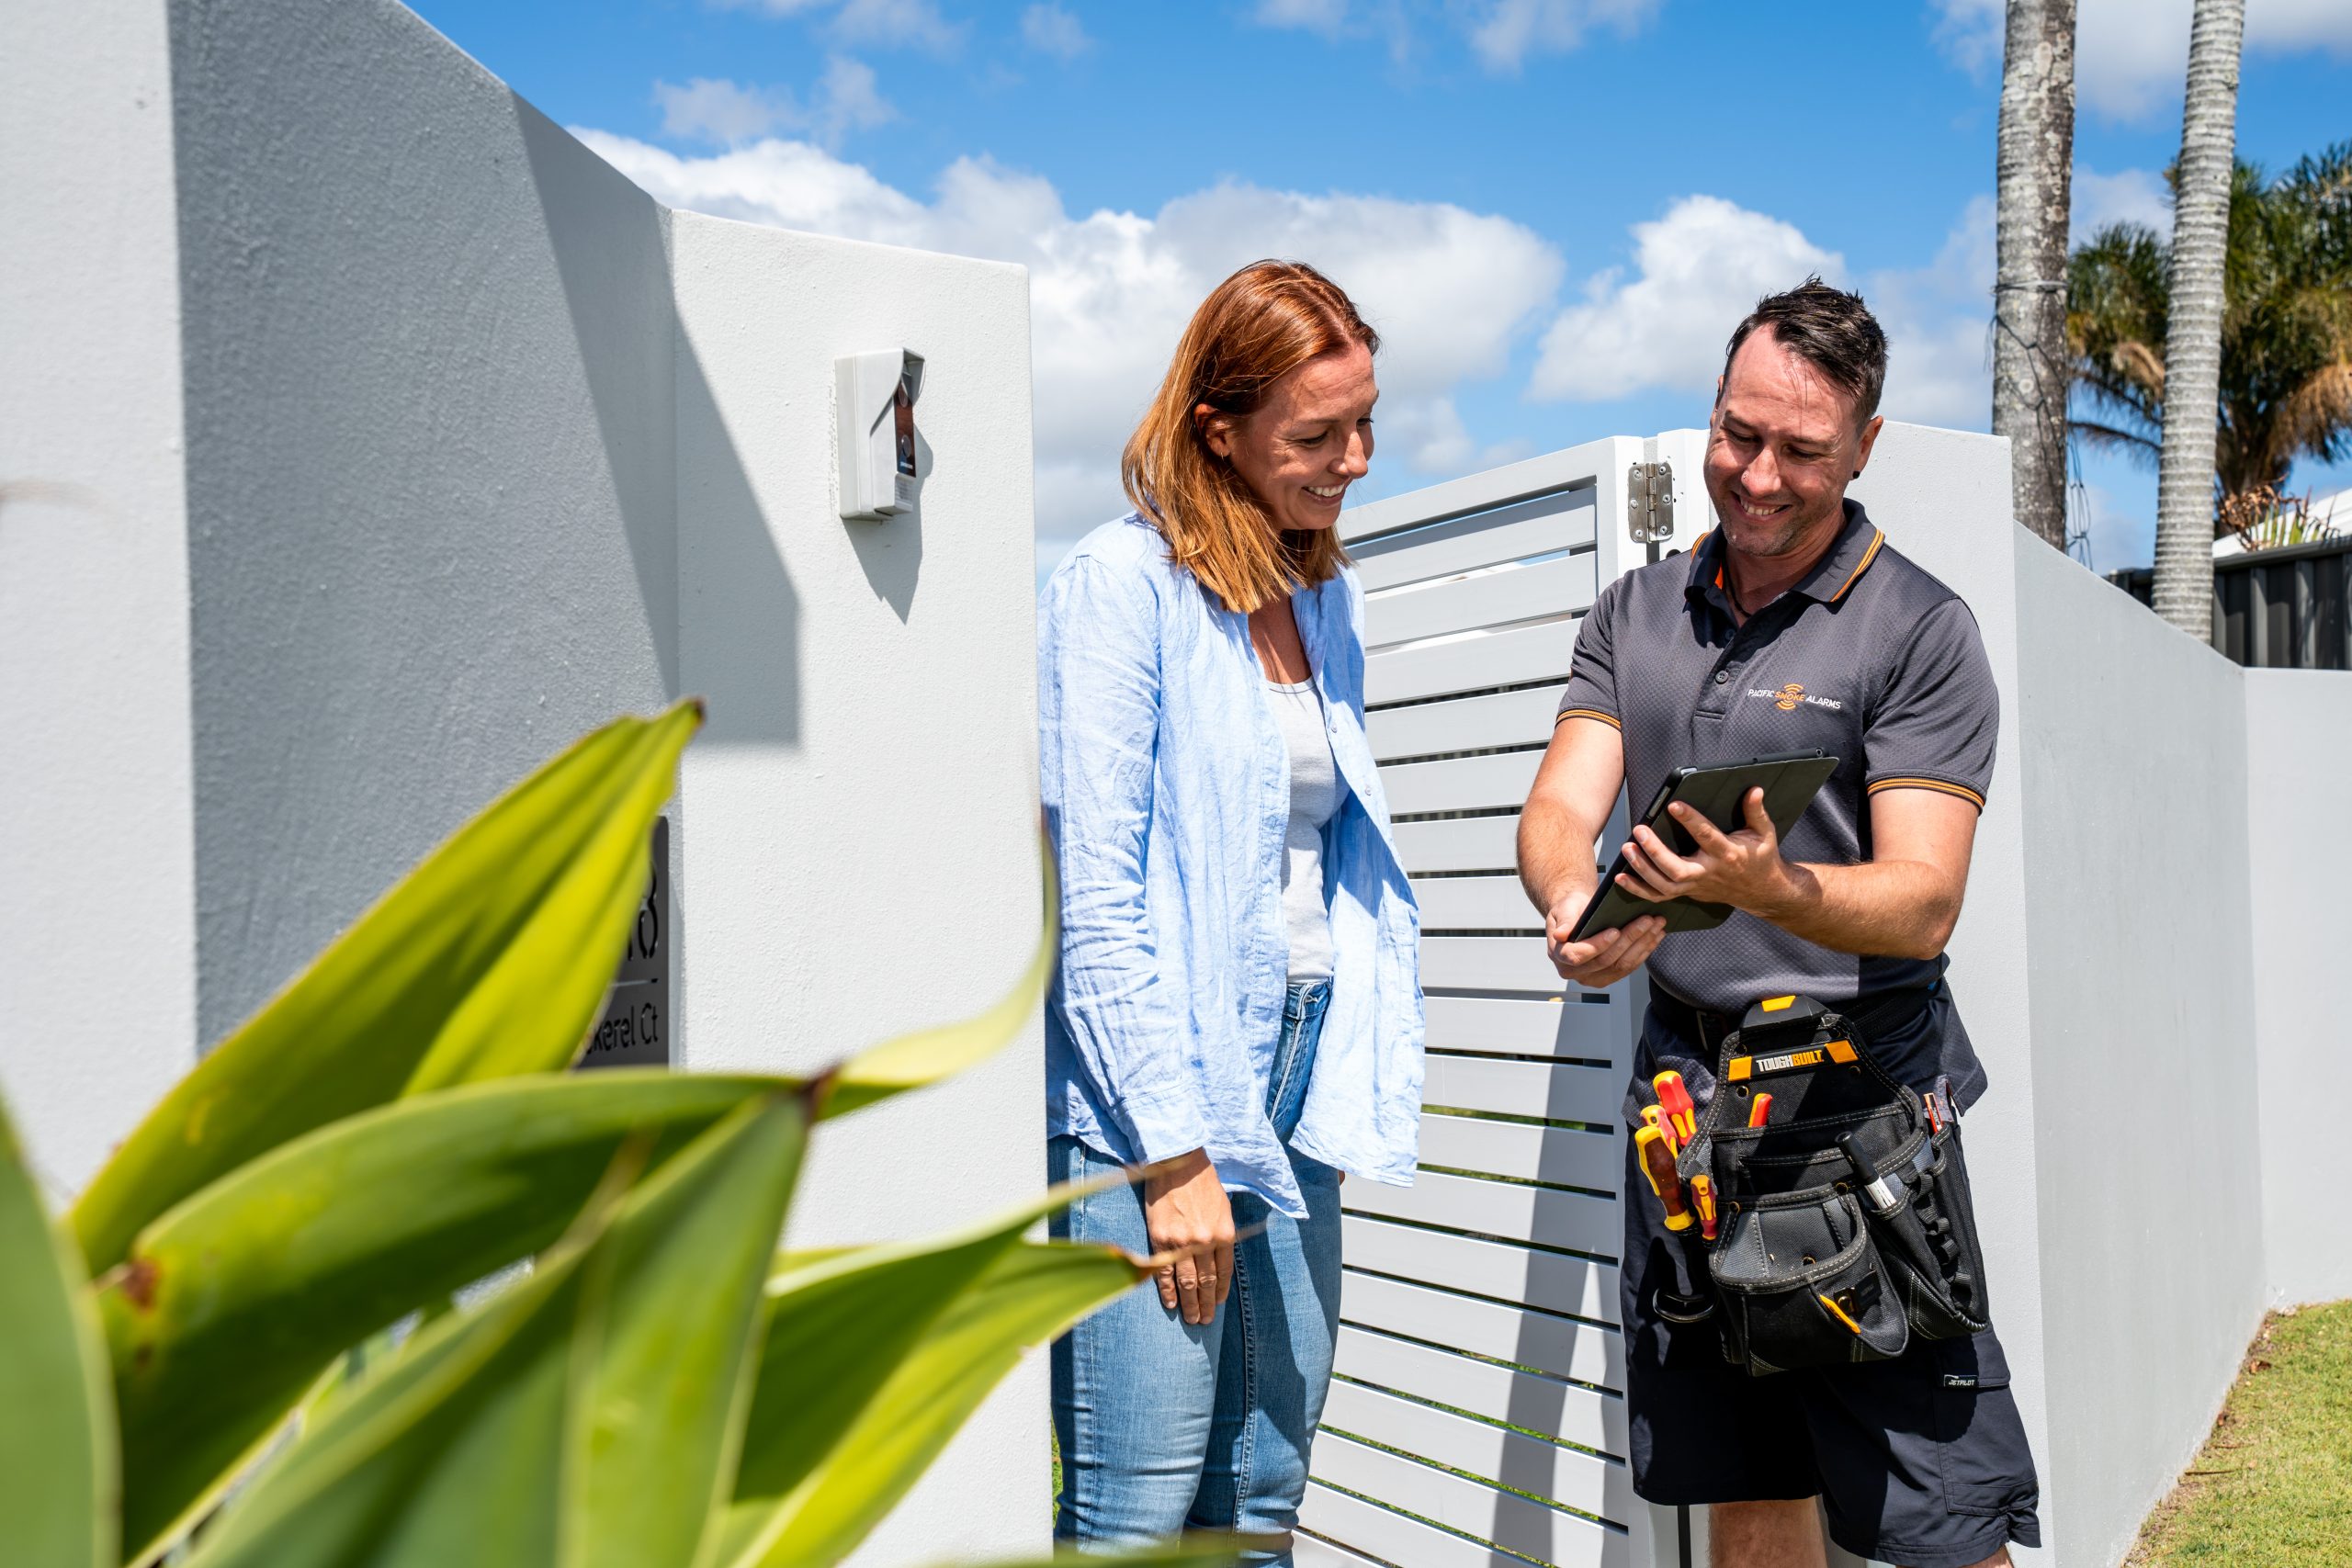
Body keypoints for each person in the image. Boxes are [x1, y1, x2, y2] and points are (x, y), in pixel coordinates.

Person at [1516, 279, 2041, 1568]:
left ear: (1863, 448)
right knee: (1746, 1484)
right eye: (1736, 434)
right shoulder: (1632, 615)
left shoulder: (1917, 628)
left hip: (1857, 1112)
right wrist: (1573, 906)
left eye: (1800, 451)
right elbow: (1558, 804)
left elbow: (1924, 901)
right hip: (1684, 1109)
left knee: (1937, 1515)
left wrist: (1777, 889)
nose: (1756, 475)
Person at [1037, 260, 1424, 1562]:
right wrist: (1174, 1155)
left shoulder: (1323, 601)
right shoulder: (1118, 586)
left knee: (1262, 1487)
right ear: (1220, 428)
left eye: (1366, 422)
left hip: (1297, 1076)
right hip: (1151, 1104)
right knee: (1137, 1515)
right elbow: (1094, 900)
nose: (1355, 458)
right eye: (1318, 435)